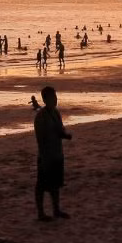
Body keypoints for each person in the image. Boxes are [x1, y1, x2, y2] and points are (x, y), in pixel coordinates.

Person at [34, 85, 72, 221]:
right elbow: (41, 139)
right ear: (45, 99)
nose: (55, 99)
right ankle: (41, 213)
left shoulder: (56, 113)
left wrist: (66, 136)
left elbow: (59, 131)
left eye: (55, 96)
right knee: (42, 185)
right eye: (52, 97)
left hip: (57, 153)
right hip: (46, 156)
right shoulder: (40, 116)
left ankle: (56, 210)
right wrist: (44, 158)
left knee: (55, 184)